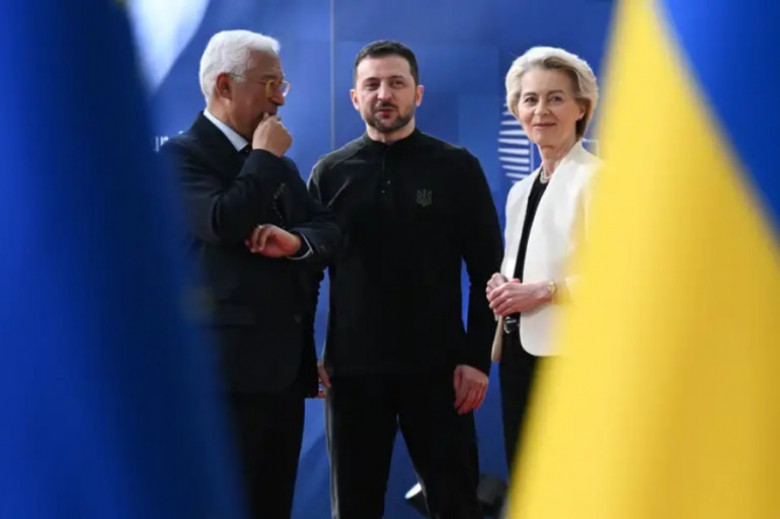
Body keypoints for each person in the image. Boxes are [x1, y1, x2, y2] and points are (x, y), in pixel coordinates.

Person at [308, 40, 503, 519]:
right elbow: (304, 275)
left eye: (396, 83)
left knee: (456, 505)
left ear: (418, 93)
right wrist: (304, 354)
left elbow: (487, 270)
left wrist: (476, 359)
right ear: (354, 97)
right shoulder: (329, 174)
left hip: (441, 372)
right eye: (372, 84)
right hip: (352, 374)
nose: (384, 94)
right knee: (353, 508)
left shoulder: (457, 167)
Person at [160, 30, 340, 519]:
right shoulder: (181, 157)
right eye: (269, 84)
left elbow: (328, 230)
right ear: (225, 86)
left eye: (282, 84)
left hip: (284, 375)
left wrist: (295, 243)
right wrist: (262, 158)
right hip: (222, 381)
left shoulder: (277, 165)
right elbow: (223, 221)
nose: (280, 98)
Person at [486, 46, 600, 476]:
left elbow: (622, 276)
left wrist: (547, 291)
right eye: (530, 99)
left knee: (570, 479)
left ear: (580, 108)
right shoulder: (521, 191)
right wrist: (503, 284)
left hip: (572, 359)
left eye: (555, 98)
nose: (540, 111)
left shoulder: (598, 179)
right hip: (519, 351)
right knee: (526, 477)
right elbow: (527, 264)